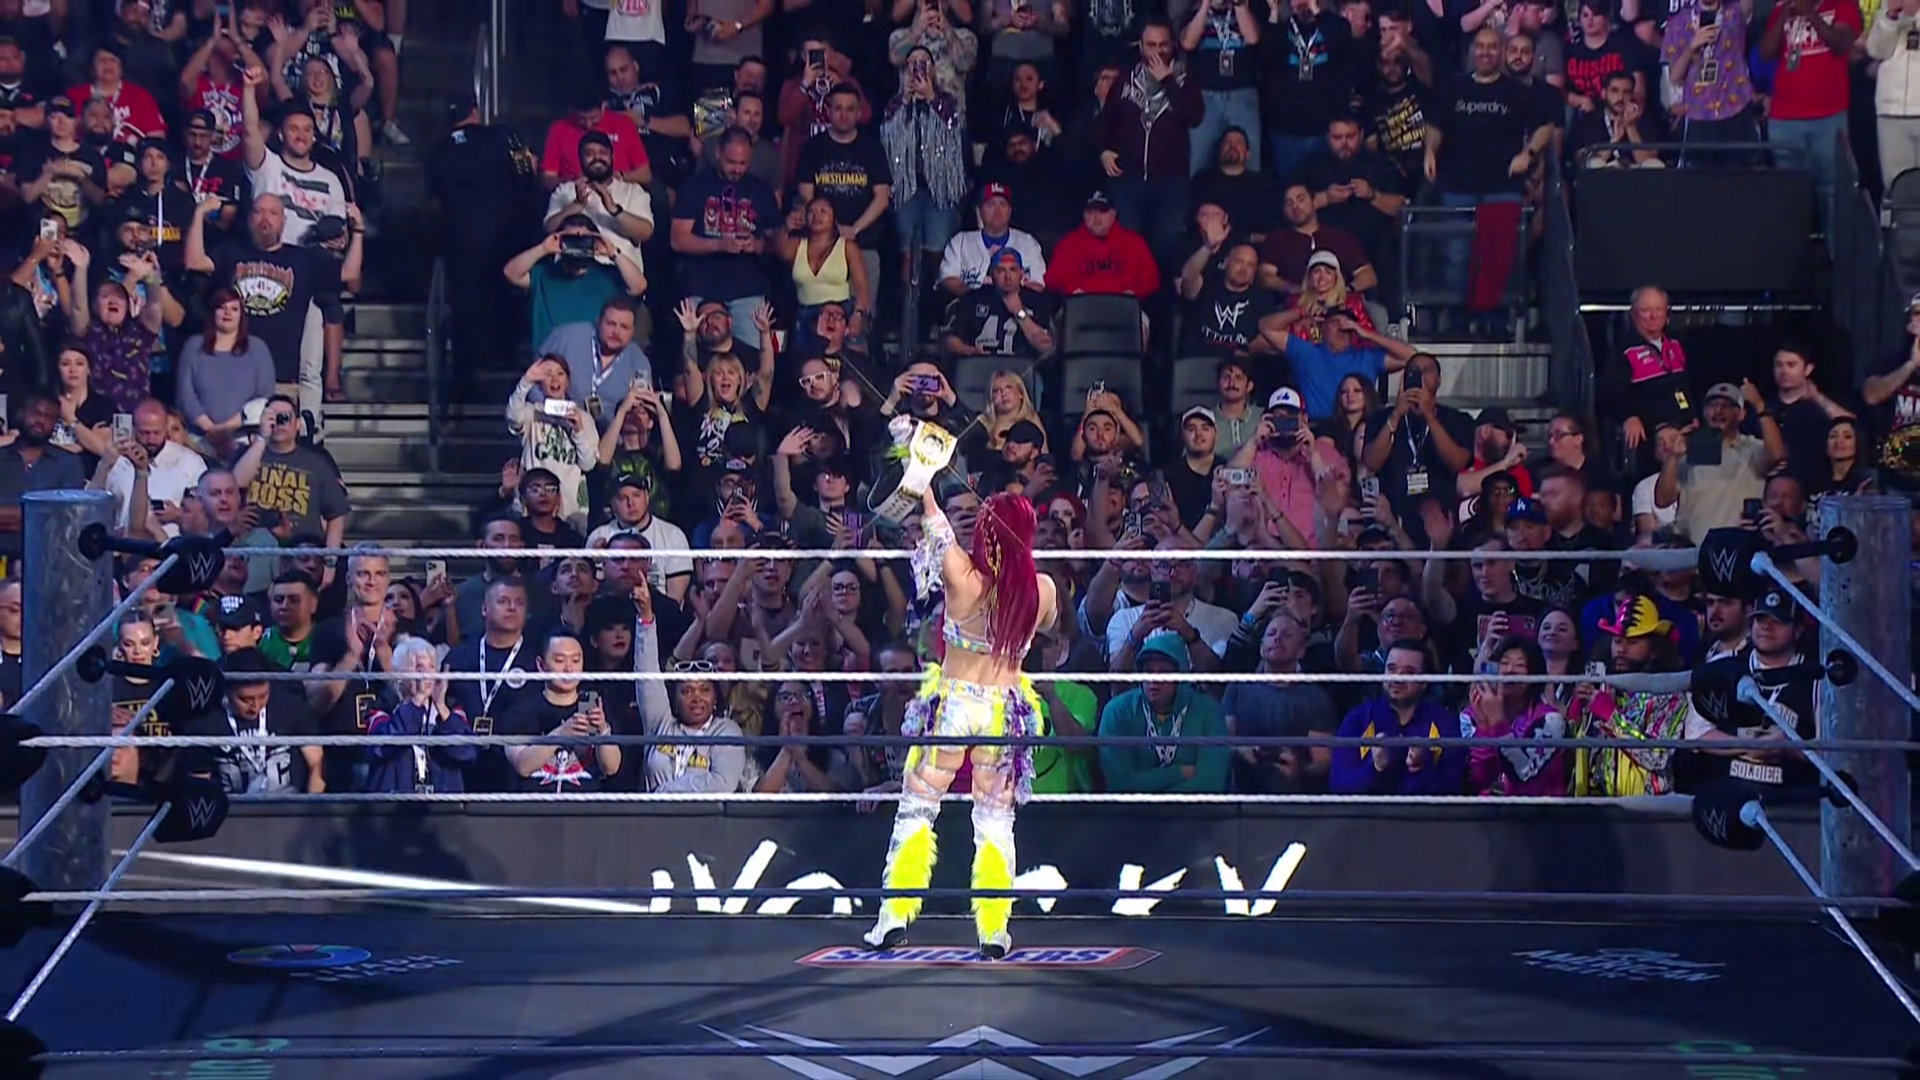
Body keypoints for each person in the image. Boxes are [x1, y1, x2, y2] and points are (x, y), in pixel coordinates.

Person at [864, 487, 1058, 958]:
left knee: (916, 808)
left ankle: (892, 918)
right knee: (995, 821)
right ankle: (993, 930)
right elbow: (1050, 624)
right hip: (1001, 709)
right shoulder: (1043, 590)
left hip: (954, 705)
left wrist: (926, 483)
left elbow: (934, 524)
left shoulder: (964, 577)